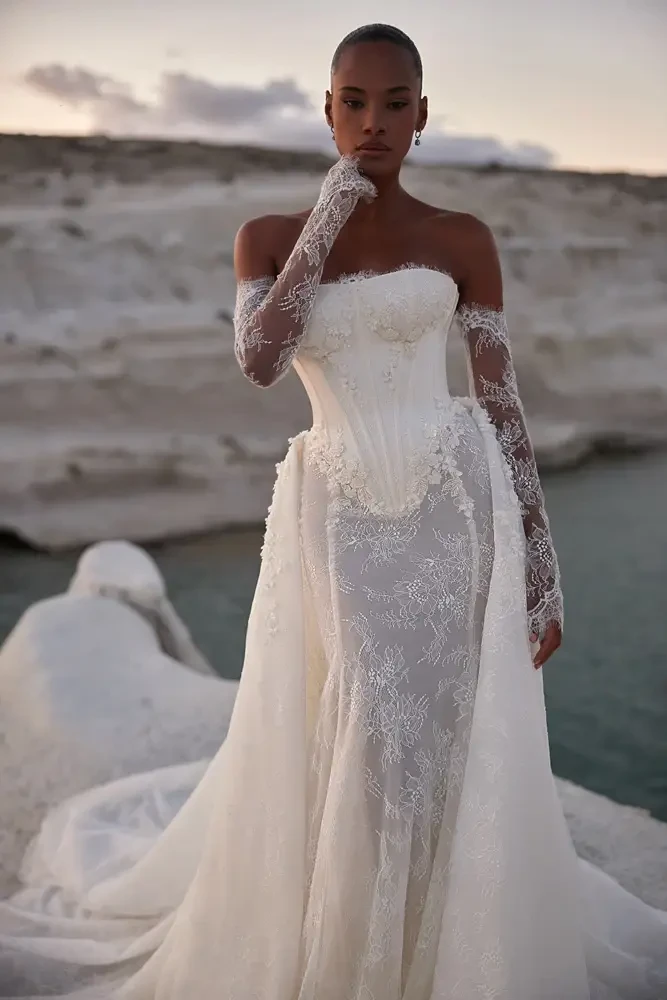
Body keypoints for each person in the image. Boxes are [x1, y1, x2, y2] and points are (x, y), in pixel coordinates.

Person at [1, 21, 666, 1000]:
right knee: (364, 720)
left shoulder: (461, 238)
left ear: (423, 114)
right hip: (342, 512)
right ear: (326, 108)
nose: (374, 123)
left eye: (396, 103)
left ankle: (447, 938)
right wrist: (328, 215)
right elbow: (261, 360)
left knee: (445, 728)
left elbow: (499, 399)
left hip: (452, 500)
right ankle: (356, 944)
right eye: (354, 101)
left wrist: (540, 559)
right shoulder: (267, 239)